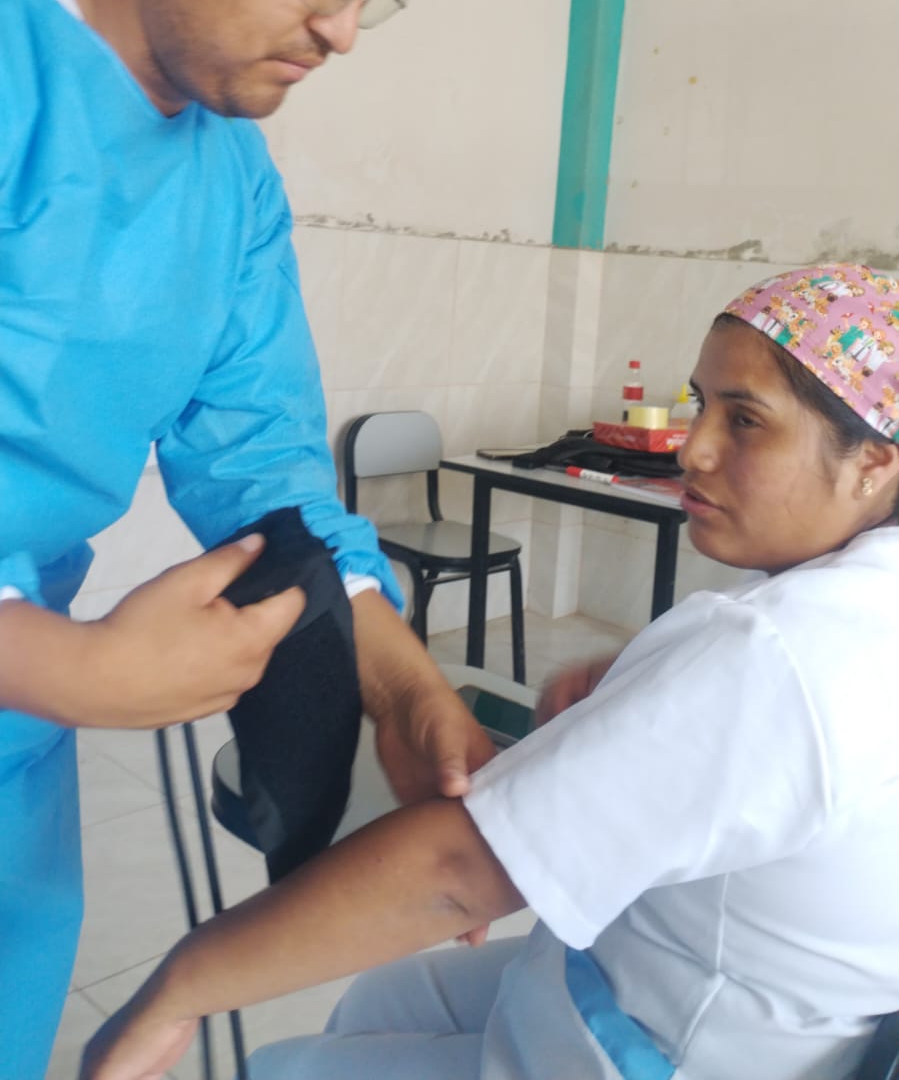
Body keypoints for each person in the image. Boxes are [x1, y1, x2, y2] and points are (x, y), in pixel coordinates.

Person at [0, 0, 492, 1080]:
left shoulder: (227, 177)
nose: (342, 28)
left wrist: (400, 687)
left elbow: (262, 459)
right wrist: (69, 667)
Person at [81, 262, 899, 1080]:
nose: (691, 446)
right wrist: (649, 691)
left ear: (873, 461)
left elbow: (456, 873)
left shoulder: (770, 651)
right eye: (698, 403)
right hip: (707, 980)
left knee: (282, 1067)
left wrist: (178, 989)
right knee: (382, 999)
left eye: (745, 419)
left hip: (666, 1042)